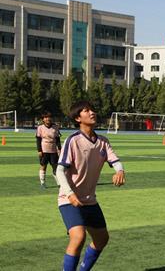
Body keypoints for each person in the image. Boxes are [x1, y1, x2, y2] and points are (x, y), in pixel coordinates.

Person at [56, 101, 126, 271]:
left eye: (92, 109)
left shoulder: (102, 141)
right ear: (78, 118)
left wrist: (120, 171)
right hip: (69, 200)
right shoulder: (73, 140)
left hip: (90, 201)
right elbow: (59, 171)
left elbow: (115, 161)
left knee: (102, 239)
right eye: (86, 111)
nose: (92, 112)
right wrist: (70, 194)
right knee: (78, 237)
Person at [36, 111, 61, 189]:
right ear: (43, 119)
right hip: (44, 149)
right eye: (46, 117)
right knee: (43, 166)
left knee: (55, 167)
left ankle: (59, 183)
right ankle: (43, 183)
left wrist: (59, 148)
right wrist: (39, 150)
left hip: (53, 150)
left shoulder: (55, 127)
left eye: (49, 117)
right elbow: (38, 139)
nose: (48, 119)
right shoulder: (40, 127)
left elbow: (57, 139)